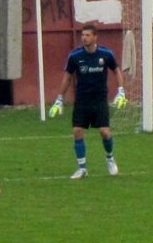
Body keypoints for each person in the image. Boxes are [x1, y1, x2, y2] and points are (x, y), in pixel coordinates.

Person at [49, 24, 125, 178]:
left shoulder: (106, 54)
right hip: (82, 100)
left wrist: (121, 91)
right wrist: (59, 99)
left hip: (100, 99)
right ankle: (82, 168)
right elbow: (67, 77)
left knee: (104, 132)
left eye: (87, 35)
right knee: (77, 131)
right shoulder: (75, 56)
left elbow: (116, 70)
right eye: (83, 35)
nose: (84, 38)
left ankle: (110, 158)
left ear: (95, 37)